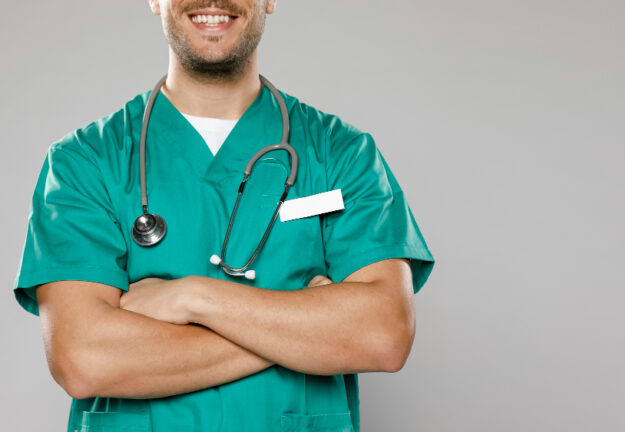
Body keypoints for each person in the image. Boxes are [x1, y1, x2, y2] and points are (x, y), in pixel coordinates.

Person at [12, 0, 434, 431]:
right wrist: (307, 328)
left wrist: (192, 297)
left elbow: (384, 334)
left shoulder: (342, 155)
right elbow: (83, 358)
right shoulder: (85, 162)